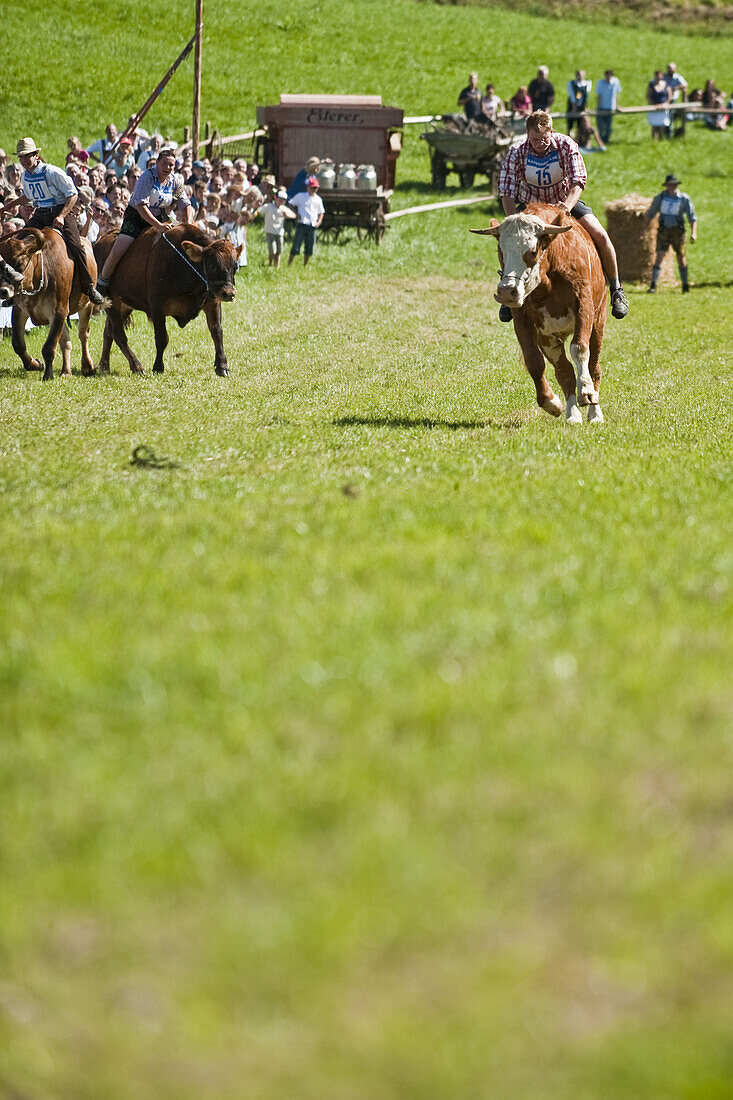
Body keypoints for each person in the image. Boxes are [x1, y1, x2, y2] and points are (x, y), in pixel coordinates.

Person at [496, 110, 628, 322]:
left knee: (601, 236)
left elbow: (578, 181)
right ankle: (507, 292)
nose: (539, 144)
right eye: (535, 139)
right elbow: (507, 190)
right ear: (528, 134)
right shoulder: (516, 151)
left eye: (544, 138)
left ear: (551, 131)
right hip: (531, 210)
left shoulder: (566, 145)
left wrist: (566, 206)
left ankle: (616, 288)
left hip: (563, 204)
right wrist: (514, 222)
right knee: (509, 243)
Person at [16, 137, 104, 304]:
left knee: (76, 246)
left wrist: (62, 216)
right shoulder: (25, 176)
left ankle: (89, 287)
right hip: (41, 213)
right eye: (21, 157)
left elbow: (73, 194)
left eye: (27, 155)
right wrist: (6, 208)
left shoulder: (52, 172)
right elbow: (27, 196)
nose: (24, 160)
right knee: (16, 243)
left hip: (62, 210)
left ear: (36, 155)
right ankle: (12, 286)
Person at [95, 144, 193, 295]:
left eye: (171, 165)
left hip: (162, 216)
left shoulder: (175, 181)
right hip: (137, 217)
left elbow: (186, 204)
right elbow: (141, 206)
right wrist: (159, 226)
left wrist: (190, 226)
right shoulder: (147, 177)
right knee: (118, 249)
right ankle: (102, 283)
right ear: (158, 163)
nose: (167, 167)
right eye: (165, 164)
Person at [644, 174, 697, 293]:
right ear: (666, 185)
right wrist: (644, 229)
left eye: (674, 184)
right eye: (670, 184)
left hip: (678, 232)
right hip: (664, 231)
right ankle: (653, 285)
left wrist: (694, 233)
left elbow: (692, 217)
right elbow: (650, 214)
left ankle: (685, 285)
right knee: (659, 257)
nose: (672, 187)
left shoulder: (684, 199)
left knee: (681, 258)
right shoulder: (660, 198)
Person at [287, 176, 324, 267]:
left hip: (312, 225)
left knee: (309, 246)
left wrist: (319, 222)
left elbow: (321, 212)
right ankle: (289, 263)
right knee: (296, 244)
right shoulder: (301, 196)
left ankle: (305, 264)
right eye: (312, 188)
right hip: (302, 223)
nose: (313, 190)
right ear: (307, 187)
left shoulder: (318, 199)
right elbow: (291, 203)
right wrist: (296, 214)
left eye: (315, 188)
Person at [259, 188, 296, 269]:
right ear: (276, 198)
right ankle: (270, 263)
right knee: (272, 251)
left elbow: (294, 215)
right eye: (280, 199)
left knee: (279, 251)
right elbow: (260, 211)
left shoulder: (283, 209)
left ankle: (277, 267)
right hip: (270, 231)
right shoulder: (269, 206)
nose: (281, 201)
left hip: (279, 232)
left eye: (283, 200)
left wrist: (287, 215)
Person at [595, 70, 621, 144]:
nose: (608, 77)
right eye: (607, 76)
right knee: (600, 126)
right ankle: (600, 140)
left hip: (610, 107)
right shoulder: (601, 83)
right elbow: (599, 95)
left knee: (608, 126)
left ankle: (606, 140)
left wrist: (617, 105)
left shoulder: (615, 82)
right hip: (602, 107)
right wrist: (597, 107)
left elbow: (616, 94)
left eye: (610, 76)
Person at [647, 71, 672, 140]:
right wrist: (653, 105)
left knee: (662, 124)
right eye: (658, 76)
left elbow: (670, 96)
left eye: (660, 76)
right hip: (654, 107)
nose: (659, 78)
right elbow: (648, 95)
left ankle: (661, 139)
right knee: (654, 125)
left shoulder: (666, 84)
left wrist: (665, 104)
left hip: (663, 107)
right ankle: (654, 139)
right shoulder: (651, 85)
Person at [566, 69, 593, 135]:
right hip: (572, 106)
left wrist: (585, 107)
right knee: (570, 124)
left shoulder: (587, 84)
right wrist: (574, 107)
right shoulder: (571, 84)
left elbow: (586, 97)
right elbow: (572, 96)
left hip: (581, 107)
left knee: (580, 125)